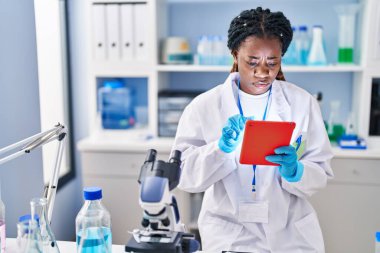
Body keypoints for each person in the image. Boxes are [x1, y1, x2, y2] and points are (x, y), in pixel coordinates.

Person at [172, 7, 334, 253]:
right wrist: (220, 149)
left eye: (272, 62)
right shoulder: (205, 106)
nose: (263, 72)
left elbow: (320, 171)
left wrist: (296, 170)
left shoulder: (302, 103)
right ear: (235, 54)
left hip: (290, 233)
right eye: (252, 62)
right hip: (230, 233)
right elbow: (184, 175)